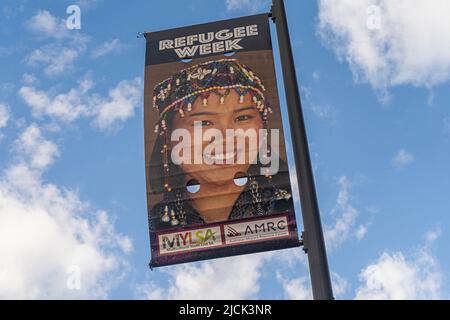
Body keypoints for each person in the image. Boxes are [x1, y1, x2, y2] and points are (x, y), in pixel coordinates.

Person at [148, 59, 293, 231]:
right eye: (203, 123)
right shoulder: (154, 228)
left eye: (242, 118)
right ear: (168, 137)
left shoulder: (292, 209)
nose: (226, 137)